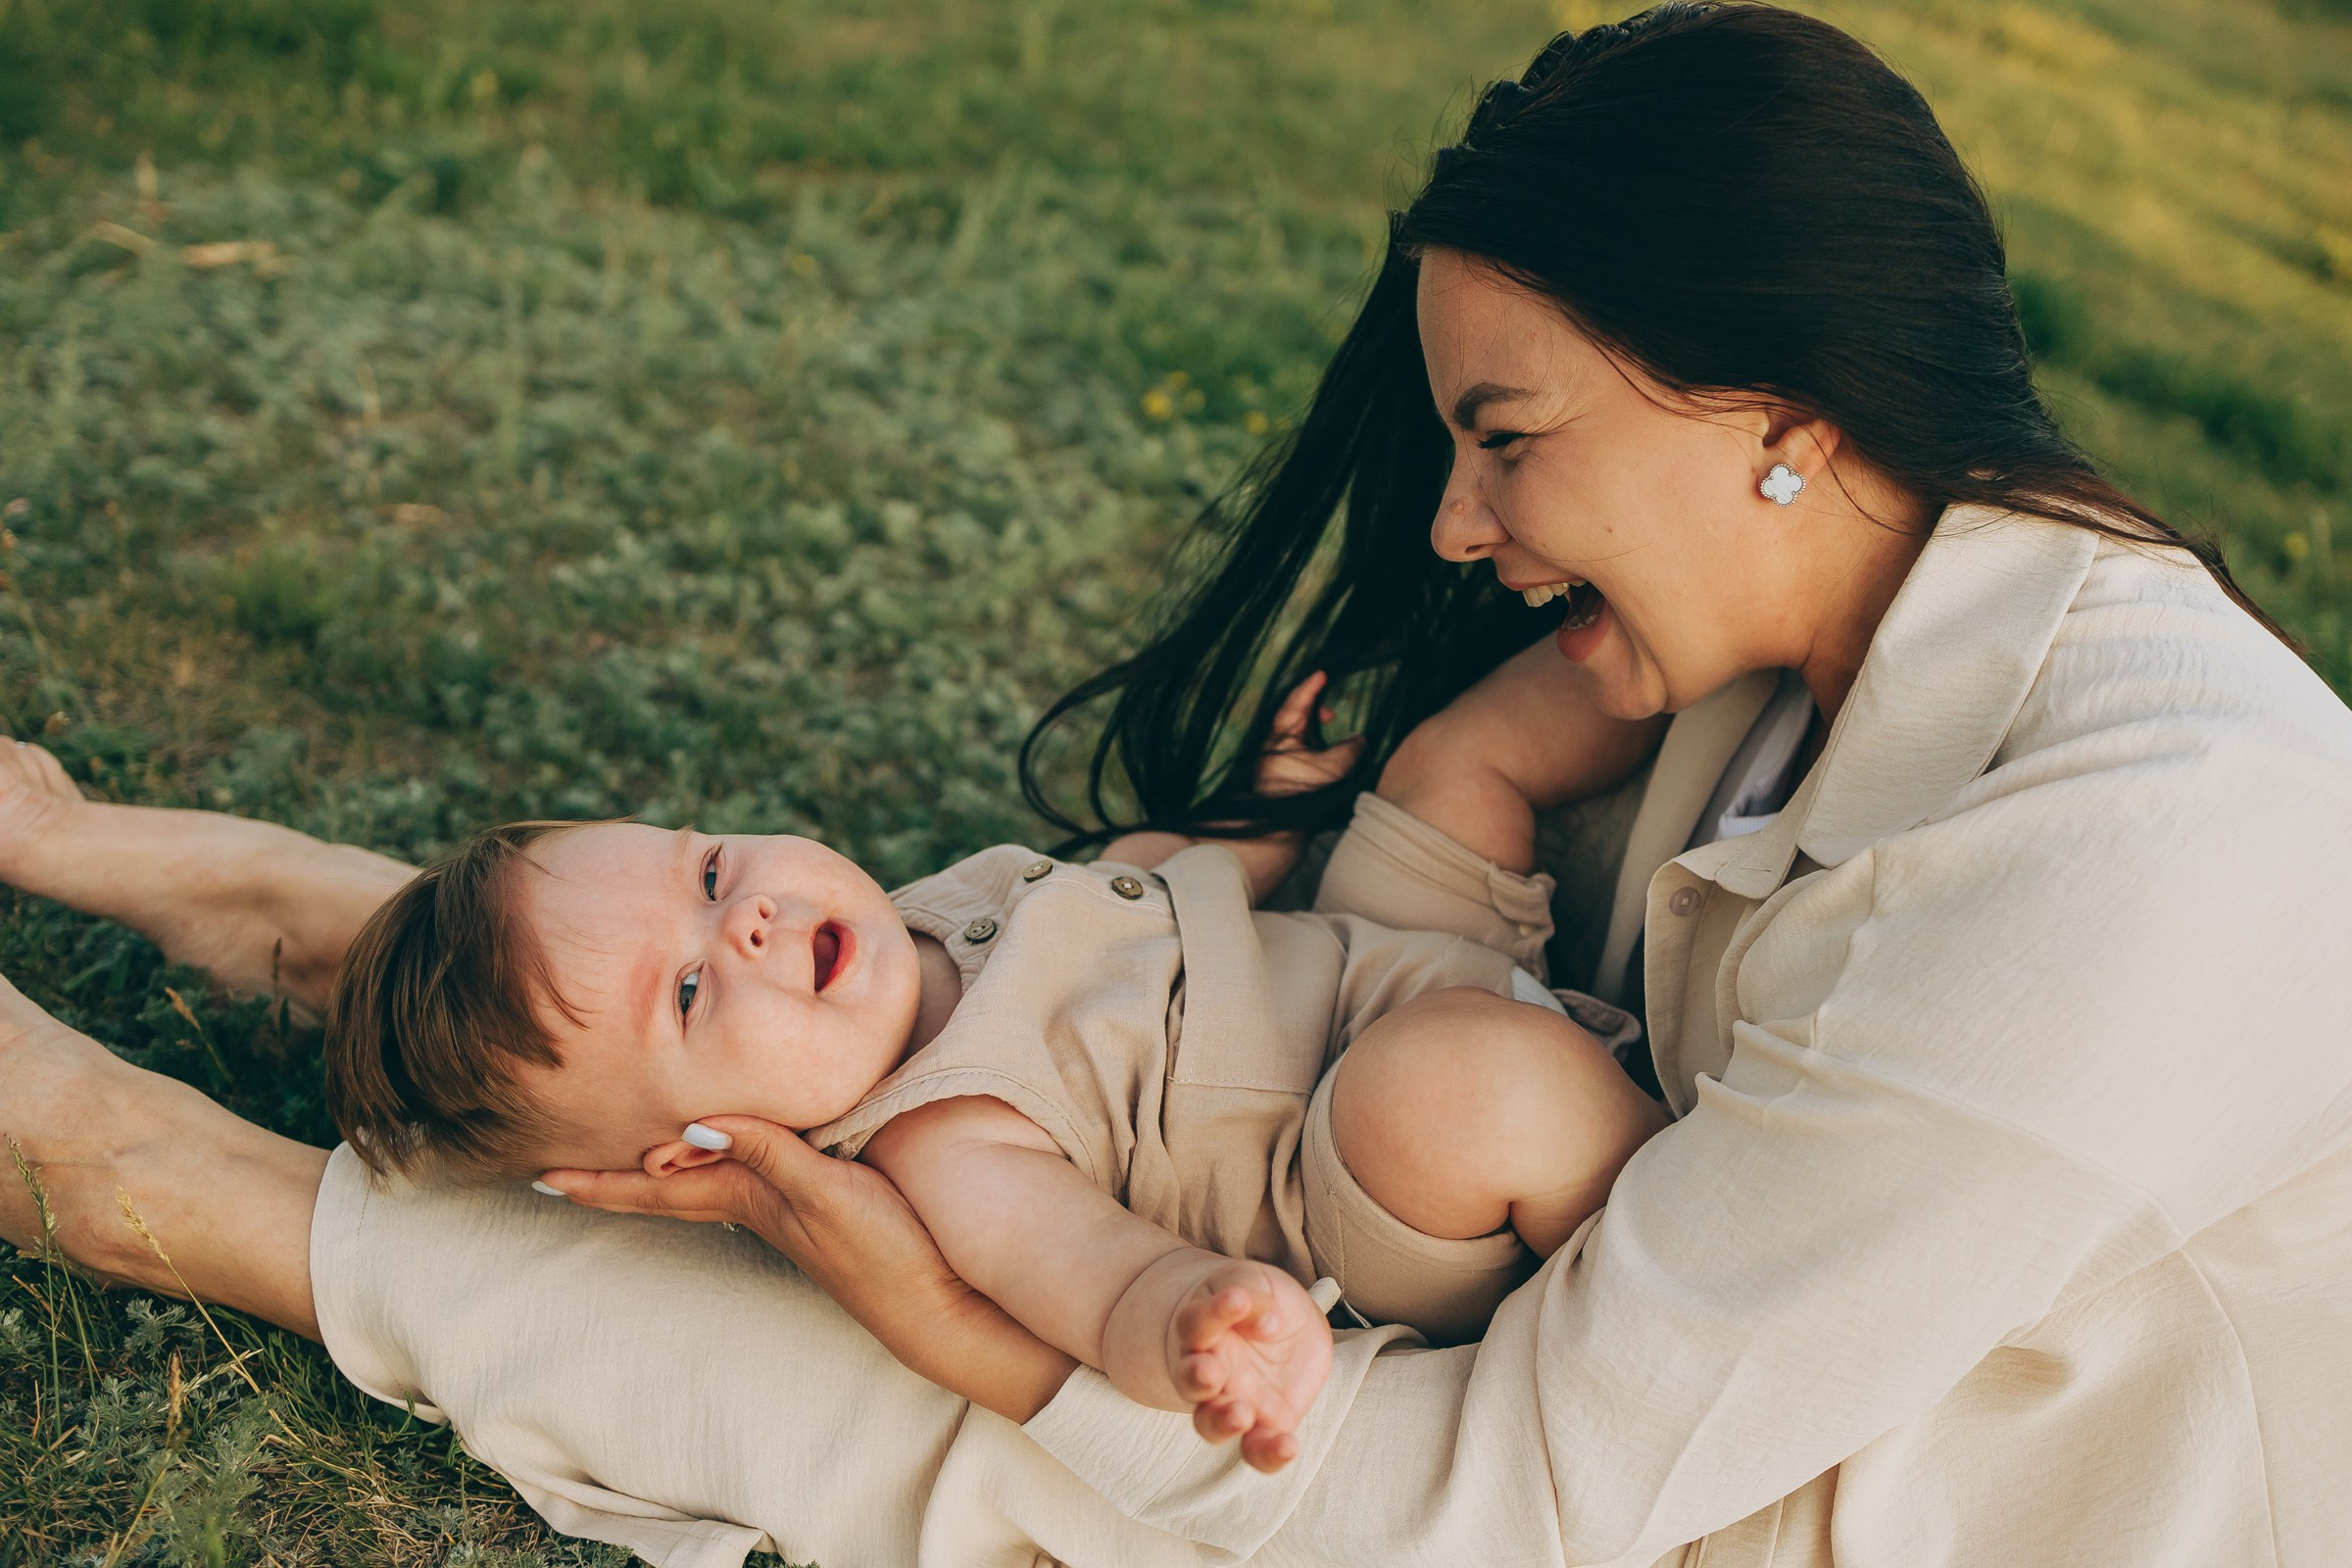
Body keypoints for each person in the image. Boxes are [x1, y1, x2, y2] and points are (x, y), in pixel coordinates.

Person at [4, 5, 2348, 1564]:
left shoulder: (2134, 860)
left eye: (1505, 438)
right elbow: (1390, 885)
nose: (1449, 522)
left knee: (938, 1362)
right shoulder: (1796, 628)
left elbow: (1509, 1500)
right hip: (1528, 1292)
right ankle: (308, 919)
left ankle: (150, 1180)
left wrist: (1002, 1332)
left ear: (1783, 418)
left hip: (1829, 1502)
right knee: (791, 1050)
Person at [315, 663, 1658, 1468]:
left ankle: (1685, 656)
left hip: (1386, 961)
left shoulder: (931, 905)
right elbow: (1097, 1278)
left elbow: (1144, 884)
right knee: (1463, 1086)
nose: (750, 923)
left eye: (709, 871)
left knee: (1462, 757)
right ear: (698, 1148)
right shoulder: (944, 1145)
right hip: (1369, 1161)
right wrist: (1201, 1318)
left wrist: (1260, 808)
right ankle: (1698, 1206)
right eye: (687, 990)